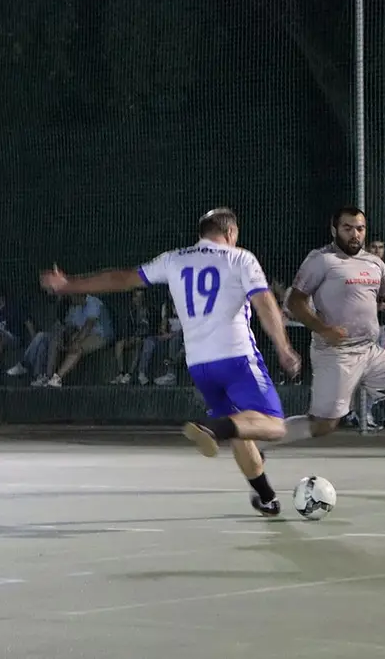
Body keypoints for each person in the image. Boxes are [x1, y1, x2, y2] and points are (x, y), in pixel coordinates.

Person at [40, 208, 302, 516]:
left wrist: (68, 284)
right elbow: (264, 302)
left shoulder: (174, 258)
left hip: (200, 366)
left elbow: (121, 278)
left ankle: (266, 497)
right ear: (231, 233)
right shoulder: (240, 258)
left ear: (202, 233)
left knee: (240, 433)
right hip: (237, 358)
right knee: (273, 426)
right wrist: (284, 347)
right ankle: (211, 428)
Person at [266, 206, 385, 488]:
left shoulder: (374, 264)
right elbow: (295, 301)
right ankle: (258, 441)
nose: (355, 234)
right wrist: (324, 329)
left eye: (360, 228)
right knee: (323, 424)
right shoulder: (321, 260)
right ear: (334, 229)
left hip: (369, 350)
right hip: (336, 353)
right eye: (348, 228)